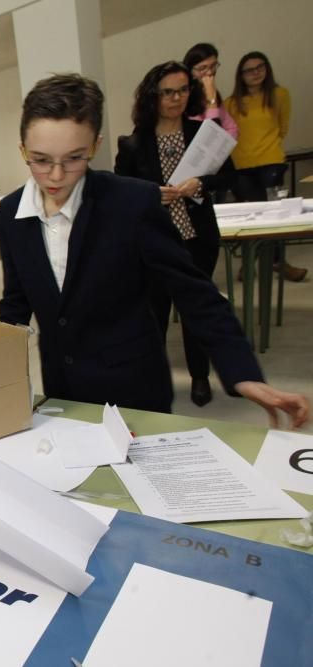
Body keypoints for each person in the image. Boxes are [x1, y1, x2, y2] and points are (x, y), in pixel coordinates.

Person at [0, 73, 308, 427]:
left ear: (95, 146)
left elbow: (194, 292)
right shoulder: (11, 214)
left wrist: (243, 372)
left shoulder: (132, 202)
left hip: (133, 389)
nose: (55, 175)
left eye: (73, 158)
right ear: (22, 148)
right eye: (39, 159)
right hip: (64, 392)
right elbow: (15, 304)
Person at [115, 61, 235, 407]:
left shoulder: (203, 134)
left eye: (183, 90)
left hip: (198, 238)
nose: (177, 98)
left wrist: (202, 183)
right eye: (168, 91)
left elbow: (230, 176)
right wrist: (151, 193)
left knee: (196, 308)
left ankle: (200, 377)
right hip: (154, 243)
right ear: (154, 95)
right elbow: (121, 190)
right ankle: (156, 377)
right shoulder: (135, 142)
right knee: (155, 313)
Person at [225, 51, 305, 282]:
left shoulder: (279, 94)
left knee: (275, 215)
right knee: (248, 215)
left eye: (260, 67)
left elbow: (283, 126)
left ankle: (279, 262)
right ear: (241, 75)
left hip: (270, 161)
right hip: (240, 165)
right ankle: (250, 262)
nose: (255, 73)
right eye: (249, 70)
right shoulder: (231, 103)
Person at [182, 43, 238, 139]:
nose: (210, 72)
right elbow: (209, 137)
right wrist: (211, 99)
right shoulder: (185, 97)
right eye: (202, 68)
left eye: (213, 66)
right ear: (190, 71)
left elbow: (233, 129)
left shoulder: (211, 91)